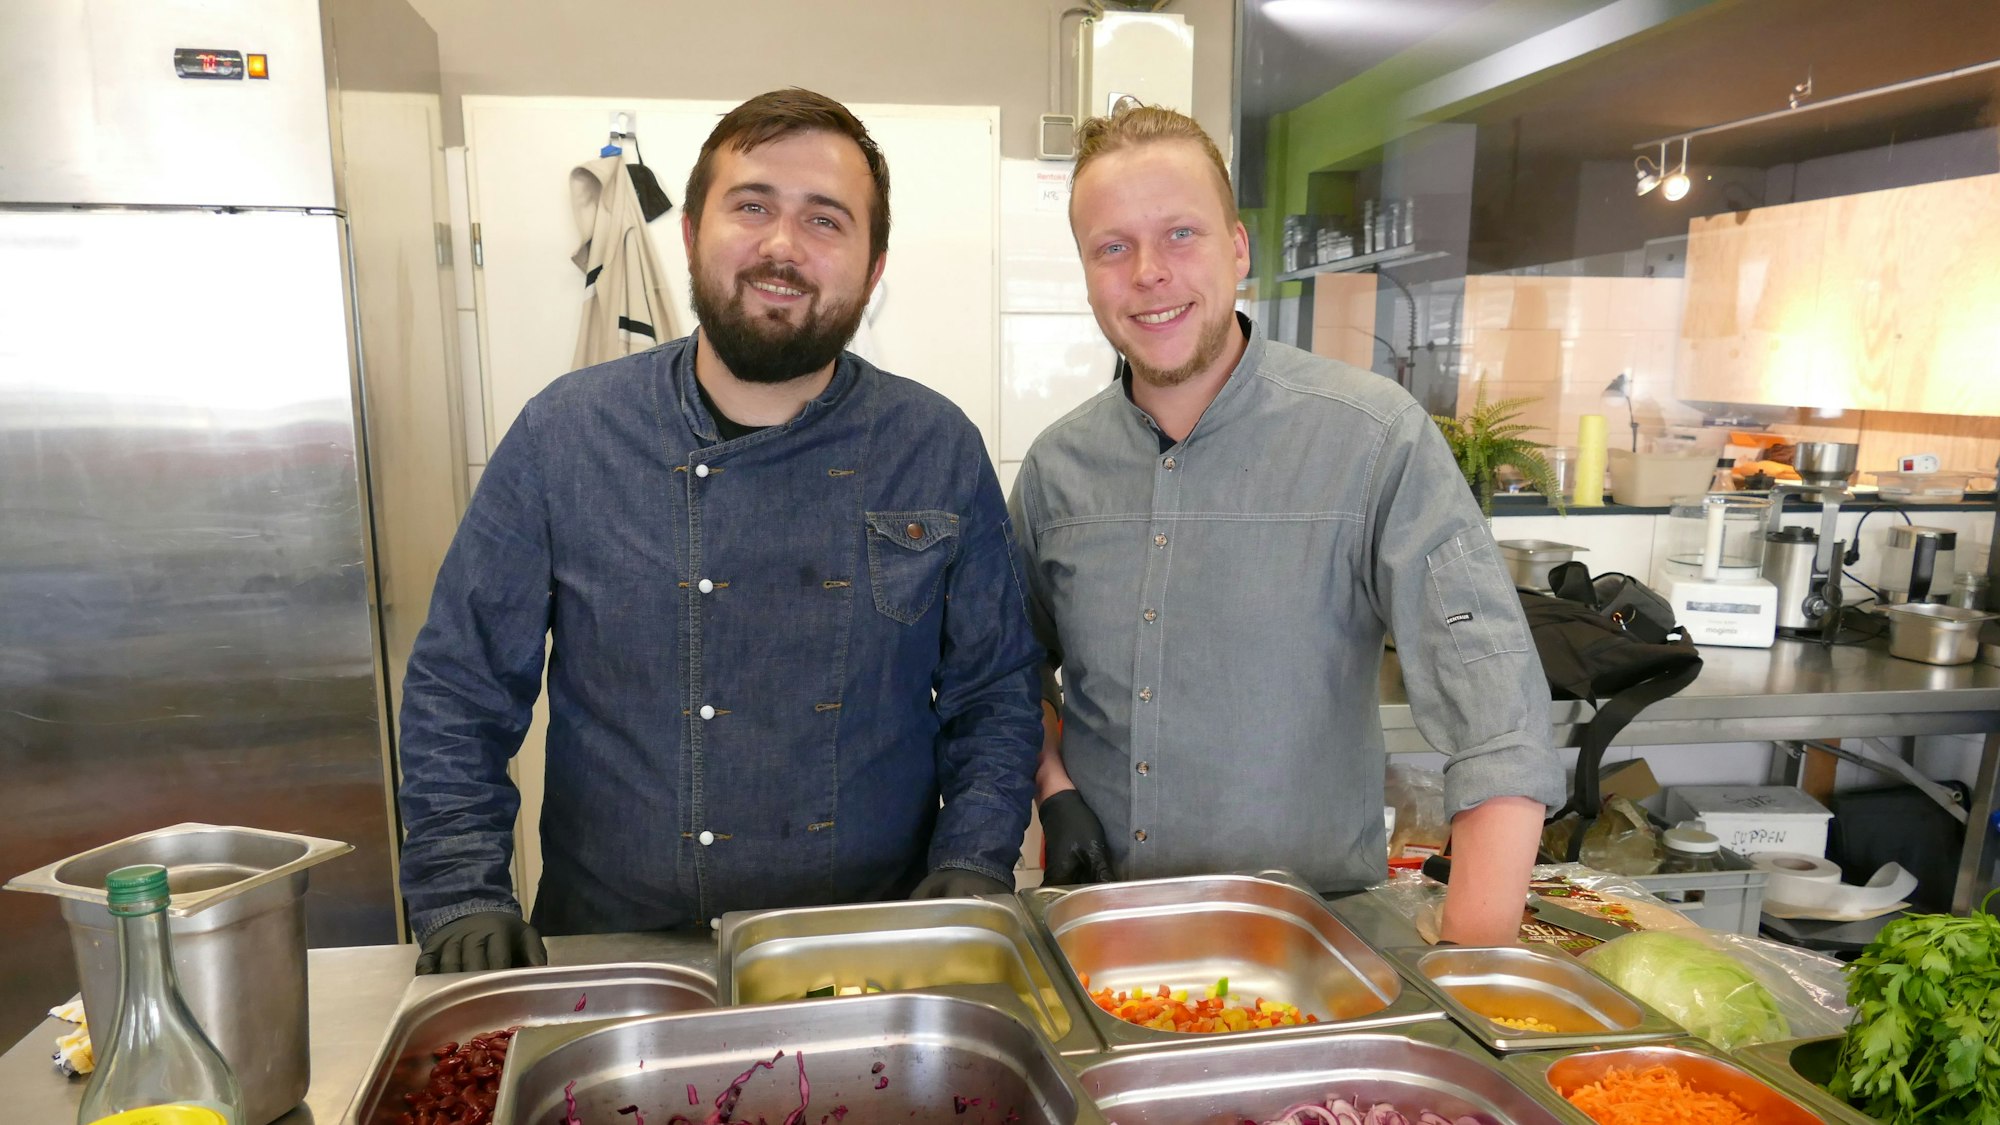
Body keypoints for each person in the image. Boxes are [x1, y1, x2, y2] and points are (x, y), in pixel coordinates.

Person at [397, 88, 1042, 973]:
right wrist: (461, 889)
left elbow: (994, 692)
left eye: (826, 220)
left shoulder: (934, 447)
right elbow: (460, 689)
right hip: (616, 949)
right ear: (693, 230)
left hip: (864, 955)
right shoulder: (567, 434)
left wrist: (973, 860)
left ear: (873, 266)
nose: (783, 245)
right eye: (753, 206)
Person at [1011, 105, 1562, 945]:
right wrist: (1054, 787)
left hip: (1317, 943)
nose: (1149, 273)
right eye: (1112, 247)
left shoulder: (1374, 438)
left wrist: (1471, 957)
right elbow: (1005, 673)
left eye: (1181, 234)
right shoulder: (1056, 469)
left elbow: (1497, 713)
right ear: (1087, 272)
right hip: (1105, 931)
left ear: (1238, 248)